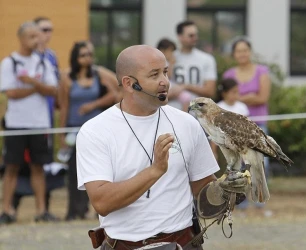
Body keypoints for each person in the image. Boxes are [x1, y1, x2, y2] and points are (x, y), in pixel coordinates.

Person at [75, 45, 251, 249]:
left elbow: (204, 193)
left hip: (183, 243)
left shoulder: (187, 123)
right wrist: (155, 171)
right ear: (130, 83)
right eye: (154, 74)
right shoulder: (96, 131)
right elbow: (102, 203)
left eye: (166, 72)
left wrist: (227, 191)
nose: (165, 82)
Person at [0, 21, 58, 225]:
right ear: (22, 38)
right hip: (16, 124)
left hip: (39, 123)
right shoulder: (10, 63)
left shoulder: (43, 62)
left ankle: (41, 210)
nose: (37, 40)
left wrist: (33, 83)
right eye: (32, 36)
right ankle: (7, 210)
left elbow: (53, 90)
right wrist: (39, 88)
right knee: (11, 167)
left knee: (38, 167)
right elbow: (12, 93)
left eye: (38, 35)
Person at [59, 41, 119, 221]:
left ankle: (99, 208)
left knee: (101, 170)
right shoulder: (67, 78)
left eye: (90, 55)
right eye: (83, 55)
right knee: (74, 172)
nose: (87, 58)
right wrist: (61, 133)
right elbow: (63, 106)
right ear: (76, 57)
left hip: (96, 129)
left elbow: (115, 93)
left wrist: (93, 104)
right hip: (74, 129)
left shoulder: (99, 74)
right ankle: (75, 210)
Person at [223, 38, 271, 213]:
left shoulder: (262, 71)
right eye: (238, 51)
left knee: (260, 164)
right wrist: (248, 97)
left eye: (245, 50)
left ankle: (260, 200)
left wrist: (241, 98)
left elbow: (263, 97)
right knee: (238, 164)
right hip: (235, 128)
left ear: (250, 52)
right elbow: (226, 99)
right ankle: (240, 202)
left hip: (258, 126)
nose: (242, 54)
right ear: (234, 54)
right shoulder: (229, 74)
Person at [170, 20, 217, 110]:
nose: (195, 38)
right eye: (191, 35)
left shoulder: (207, 59)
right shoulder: (170, 58)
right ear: (180, 37)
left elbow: (210, 91)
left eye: (196, 35)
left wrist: (185, 86)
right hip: (173, 112)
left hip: (198, 114)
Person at [211, 78, 249, 161]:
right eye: (233, 92)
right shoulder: (218, 108)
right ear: (224, 93)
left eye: (237, 92)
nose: (236, 95)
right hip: (224, 145)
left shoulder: (242, 107)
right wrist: (214, 151)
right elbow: (215, 131)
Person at [156, 38, 191, 112]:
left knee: (186, 97)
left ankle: (185, 115)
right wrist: (171, 64)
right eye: (170, 51)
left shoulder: (168, 62)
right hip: (166, 87)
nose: (172, 54)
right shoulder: (161, 63)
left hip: (171, 86)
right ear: (163, 50)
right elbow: (167, 75)